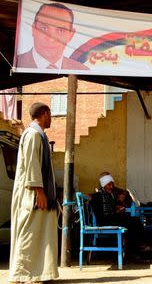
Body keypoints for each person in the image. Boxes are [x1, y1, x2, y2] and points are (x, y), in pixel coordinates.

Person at [9, 103, 59, 283]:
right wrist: (40, 192)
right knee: (29, 233)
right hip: (33, 194)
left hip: (39, 192)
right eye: (50, 114)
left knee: (40, 233)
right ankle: (20, 274)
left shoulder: (36, 135)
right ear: (44, 114)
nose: (51, 118)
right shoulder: (33, 136)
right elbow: (32, 165)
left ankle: (37, 273)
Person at [89, 172, 148, 258]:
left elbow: (110, 210)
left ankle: (136, 248)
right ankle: (138, 247)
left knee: (133, 221)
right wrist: (89, 197)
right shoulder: (98, 195)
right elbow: (92, 199)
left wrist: (118, 210)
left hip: (110, 218)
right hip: (105, 221)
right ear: (104, 185)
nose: (111, 187)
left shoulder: (109, 195)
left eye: (112, 184)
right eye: (109, 185)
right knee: (132, 221)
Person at [16, 2, 89, 70]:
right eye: (44, 28)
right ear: (33, 29)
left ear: (71, 35)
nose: (51, 39)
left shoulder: (82, 69)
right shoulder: (17, 64)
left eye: (61, 31)